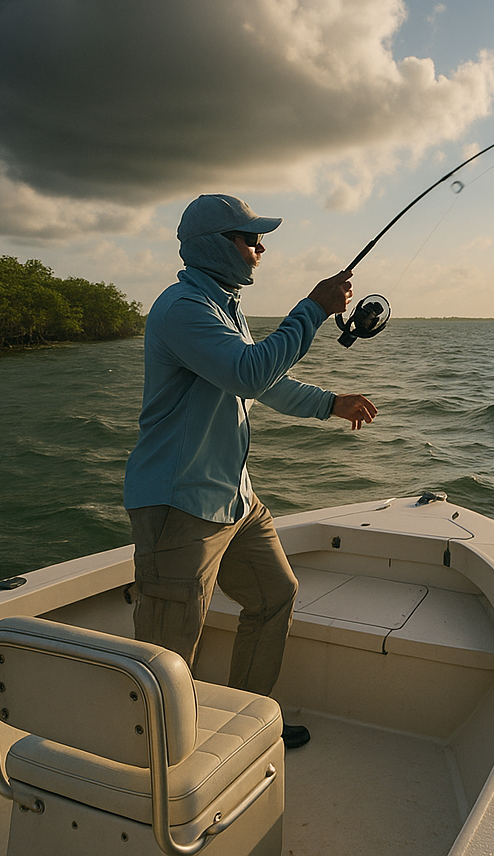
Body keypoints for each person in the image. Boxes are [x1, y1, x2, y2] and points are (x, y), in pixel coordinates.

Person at [123, 193, 377, 749]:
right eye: (251, 239)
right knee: (166, 653)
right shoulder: (182, 309)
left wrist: (329, 403)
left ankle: (246, 721)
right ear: (218, 246)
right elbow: (248, 370)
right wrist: (312, 308)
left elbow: (256, 379)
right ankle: (158, 763)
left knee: (274, 595)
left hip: (233, 500)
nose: (260, 250)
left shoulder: (222, 305)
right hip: (179, 504)